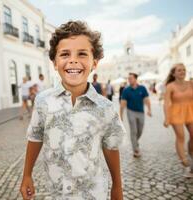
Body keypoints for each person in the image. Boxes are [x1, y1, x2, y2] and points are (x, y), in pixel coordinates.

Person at [20, 20, 126, 200]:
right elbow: (35, 137)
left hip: (94, 193)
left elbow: (111, 147)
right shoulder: (43, 101)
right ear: (54, 62)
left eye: (82, 54)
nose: (73, 60)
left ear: (95, 62)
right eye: (65, 54)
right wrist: (27, 175)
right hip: (57, 193)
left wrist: (117, 186)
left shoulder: (106, 108)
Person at [163, 63, 193, 177]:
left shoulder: (191, 83)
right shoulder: (170, 86)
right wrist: (166, 117)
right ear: (174, 73)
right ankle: (185, 162)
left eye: (184, 70)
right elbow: (166, 103)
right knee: (181, 136)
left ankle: (191, 152)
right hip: (176, 112)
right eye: (179, 70)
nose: (182, 72)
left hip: (191, 111)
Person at [120, 73, 152, 157]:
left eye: (131, 78)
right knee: (133, 131)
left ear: (135, 79)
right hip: (131, 112)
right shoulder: (126, 90)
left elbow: (147, 99)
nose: (129, 80)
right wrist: (121, 115)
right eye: (128, 78)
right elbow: (123, 103)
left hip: (141, 112)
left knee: (140, 130)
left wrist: (149, 110)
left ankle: (135, 142)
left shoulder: (142, 88)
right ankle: (136, 149)